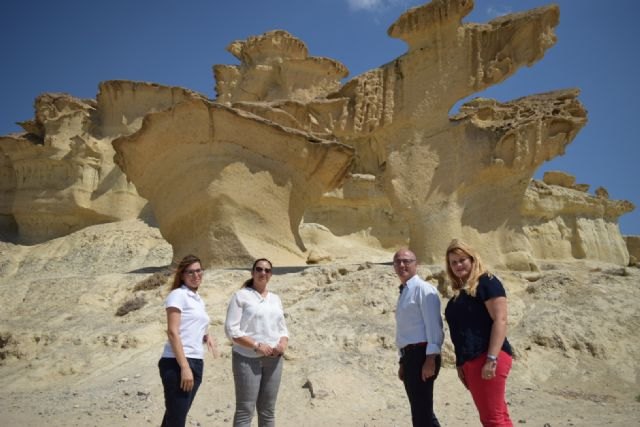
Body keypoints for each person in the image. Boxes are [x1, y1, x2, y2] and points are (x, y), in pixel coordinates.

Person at [444, 239, 514, 427]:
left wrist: (491, 359)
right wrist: (461, 364)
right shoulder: (461, 292)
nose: (458, 265)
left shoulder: (487, 282)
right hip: (471, 361)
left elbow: (500, 320)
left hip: (488, 357)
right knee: (498, 415)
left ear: (473, 259)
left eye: (462, 260)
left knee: (492, 419)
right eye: (453, 262)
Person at [225, 258, 289, 427]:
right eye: (259, 269)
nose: (263, 273)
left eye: (267, 270)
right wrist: (257, 345)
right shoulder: (241, 296)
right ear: (252, 272)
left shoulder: (275, 299)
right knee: (245, 410)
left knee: (268, 410)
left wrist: (282, 344)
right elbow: (232, 330)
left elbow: (282, 329)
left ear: (271, 275)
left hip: (274, 360)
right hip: (247, 359)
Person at [158, 254, 217, 427]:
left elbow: (190, 326)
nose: (196, 275)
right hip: (177, 363)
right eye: (190, 272)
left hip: (196, 360)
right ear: (182, 275)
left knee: (174, 416)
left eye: (199, 271)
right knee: (177, 420)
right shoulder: (178, 295)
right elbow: (172, 332)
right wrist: (184, 367)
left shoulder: (198, 299)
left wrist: (206, 336)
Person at [393, 248, 444, 427]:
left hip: (422, 355)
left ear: (417, 264)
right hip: (410, 357)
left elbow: (434, 326)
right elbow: (406, 331)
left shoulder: (423, 289)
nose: (401, 265)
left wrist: (430, 358)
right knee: (422, 411)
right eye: (397, 261)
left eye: (407, 261)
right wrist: (402, 361)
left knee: (421, 416)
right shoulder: (405, 291)